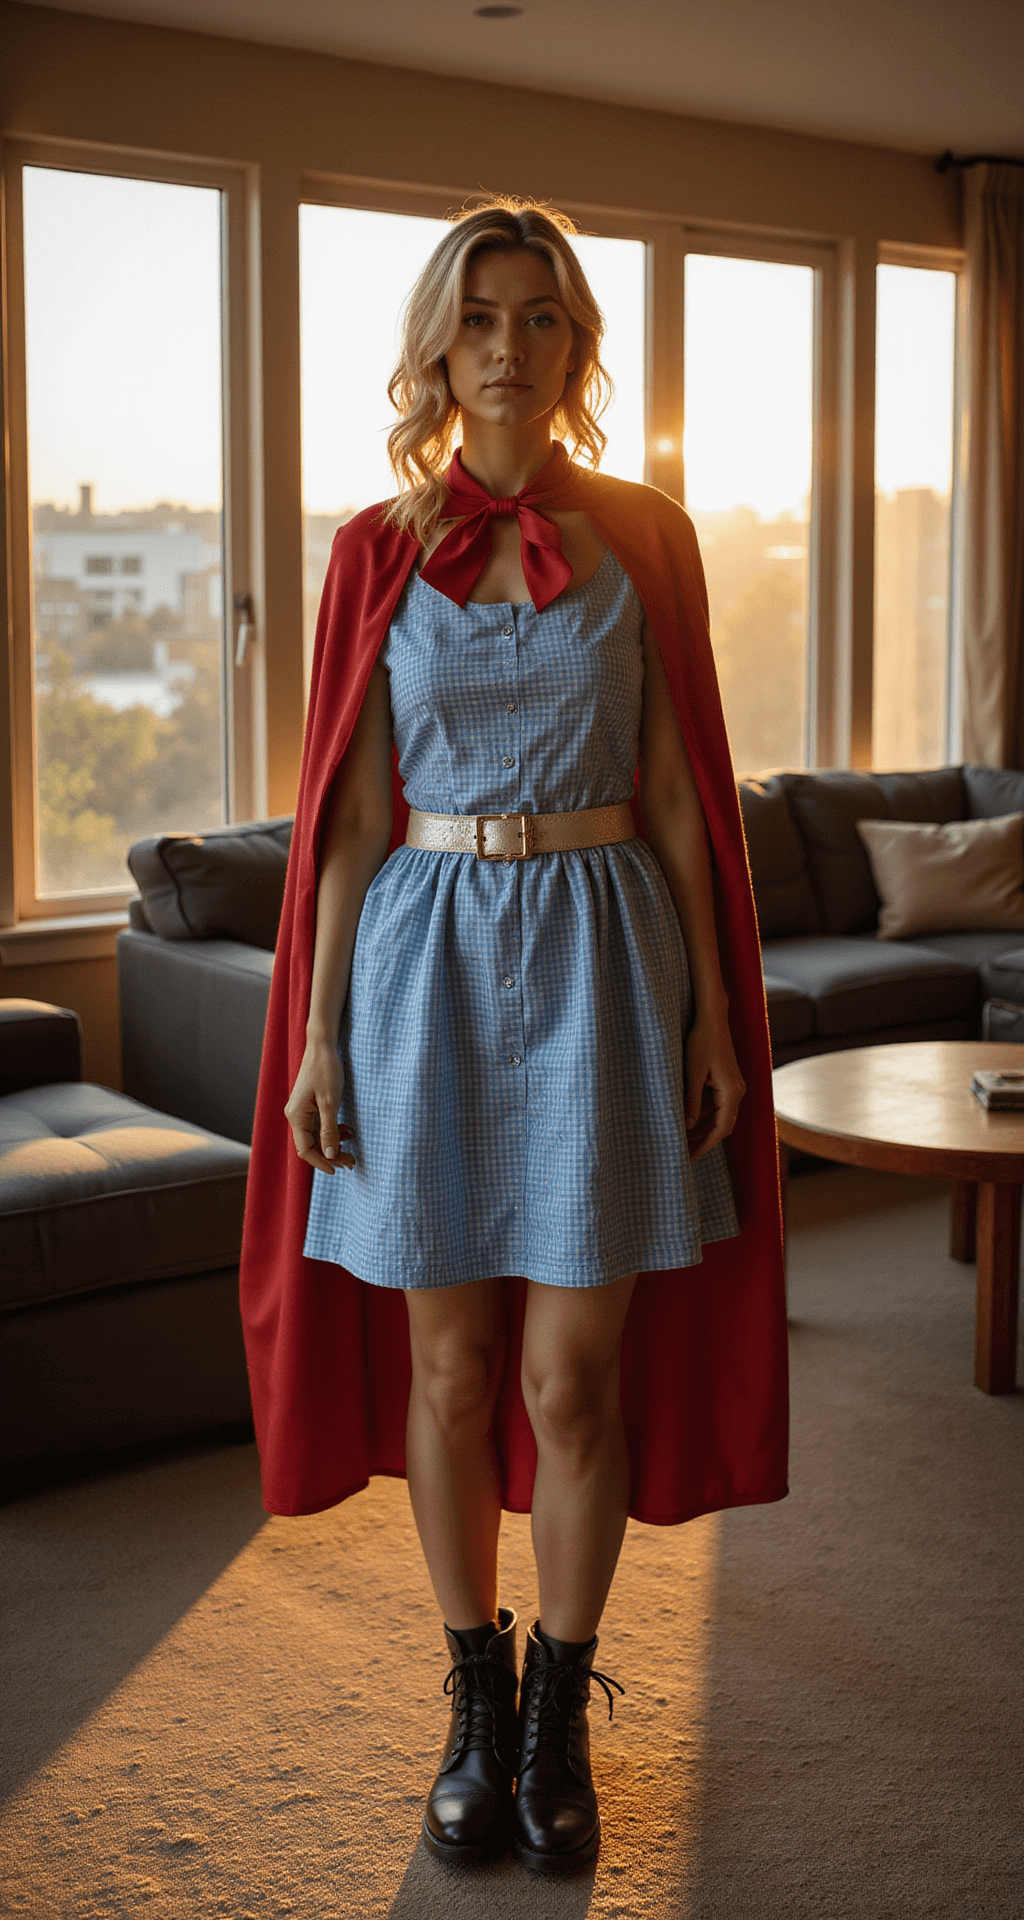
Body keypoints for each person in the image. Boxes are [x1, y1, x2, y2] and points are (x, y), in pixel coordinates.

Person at [239, 198, 788, 1878]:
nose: (508, 343)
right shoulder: (370, 549)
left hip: (610, 962)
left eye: (540, 315)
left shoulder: (652, 535)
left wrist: (708, 1007)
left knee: (571, 1375)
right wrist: (318, 1040)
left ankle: (559, 1714)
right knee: (454, 1366)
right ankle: (472, 1703)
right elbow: (340, 819)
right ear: (434, 346)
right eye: (479, 316)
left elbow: (689, 797)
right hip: (416, 964)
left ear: (575, 347)